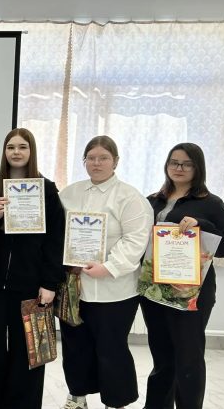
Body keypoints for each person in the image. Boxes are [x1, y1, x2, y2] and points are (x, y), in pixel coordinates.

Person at [58, 136, 153, 409]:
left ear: (116, 161)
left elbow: (136, 240)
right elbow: (56, 232)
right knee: (75, 346)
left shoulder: (129, 197)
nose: (96, 163)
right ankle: (77, 396)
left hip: (115, 291)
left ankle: (116, 402)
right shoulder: (70, 193)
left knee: (111, 349)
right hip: (75, 287)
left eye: (103, 158)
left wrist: (109, 267)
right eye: (91, 158)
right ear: (84, 161)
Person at [141, 143, 224, 409]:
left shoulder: (211, 203)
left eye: (187, 164)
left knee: (188, 359)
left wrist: (201, 225)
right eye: (174, 162)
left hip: (192, 295)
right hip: (154, 291)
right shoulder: (152, 200)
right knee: (162, 358)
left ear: (198, 167)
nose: (179, 168)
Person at [0, 128, 65, 409]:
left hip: (30, 284)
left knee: (27, 351)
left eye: (22, 147)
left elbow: (56, 240)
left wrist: (49, 283)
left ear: (31, 151)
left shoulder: (47, 189)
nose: (16, 152)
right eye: (11, 147)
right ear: (4, 151)